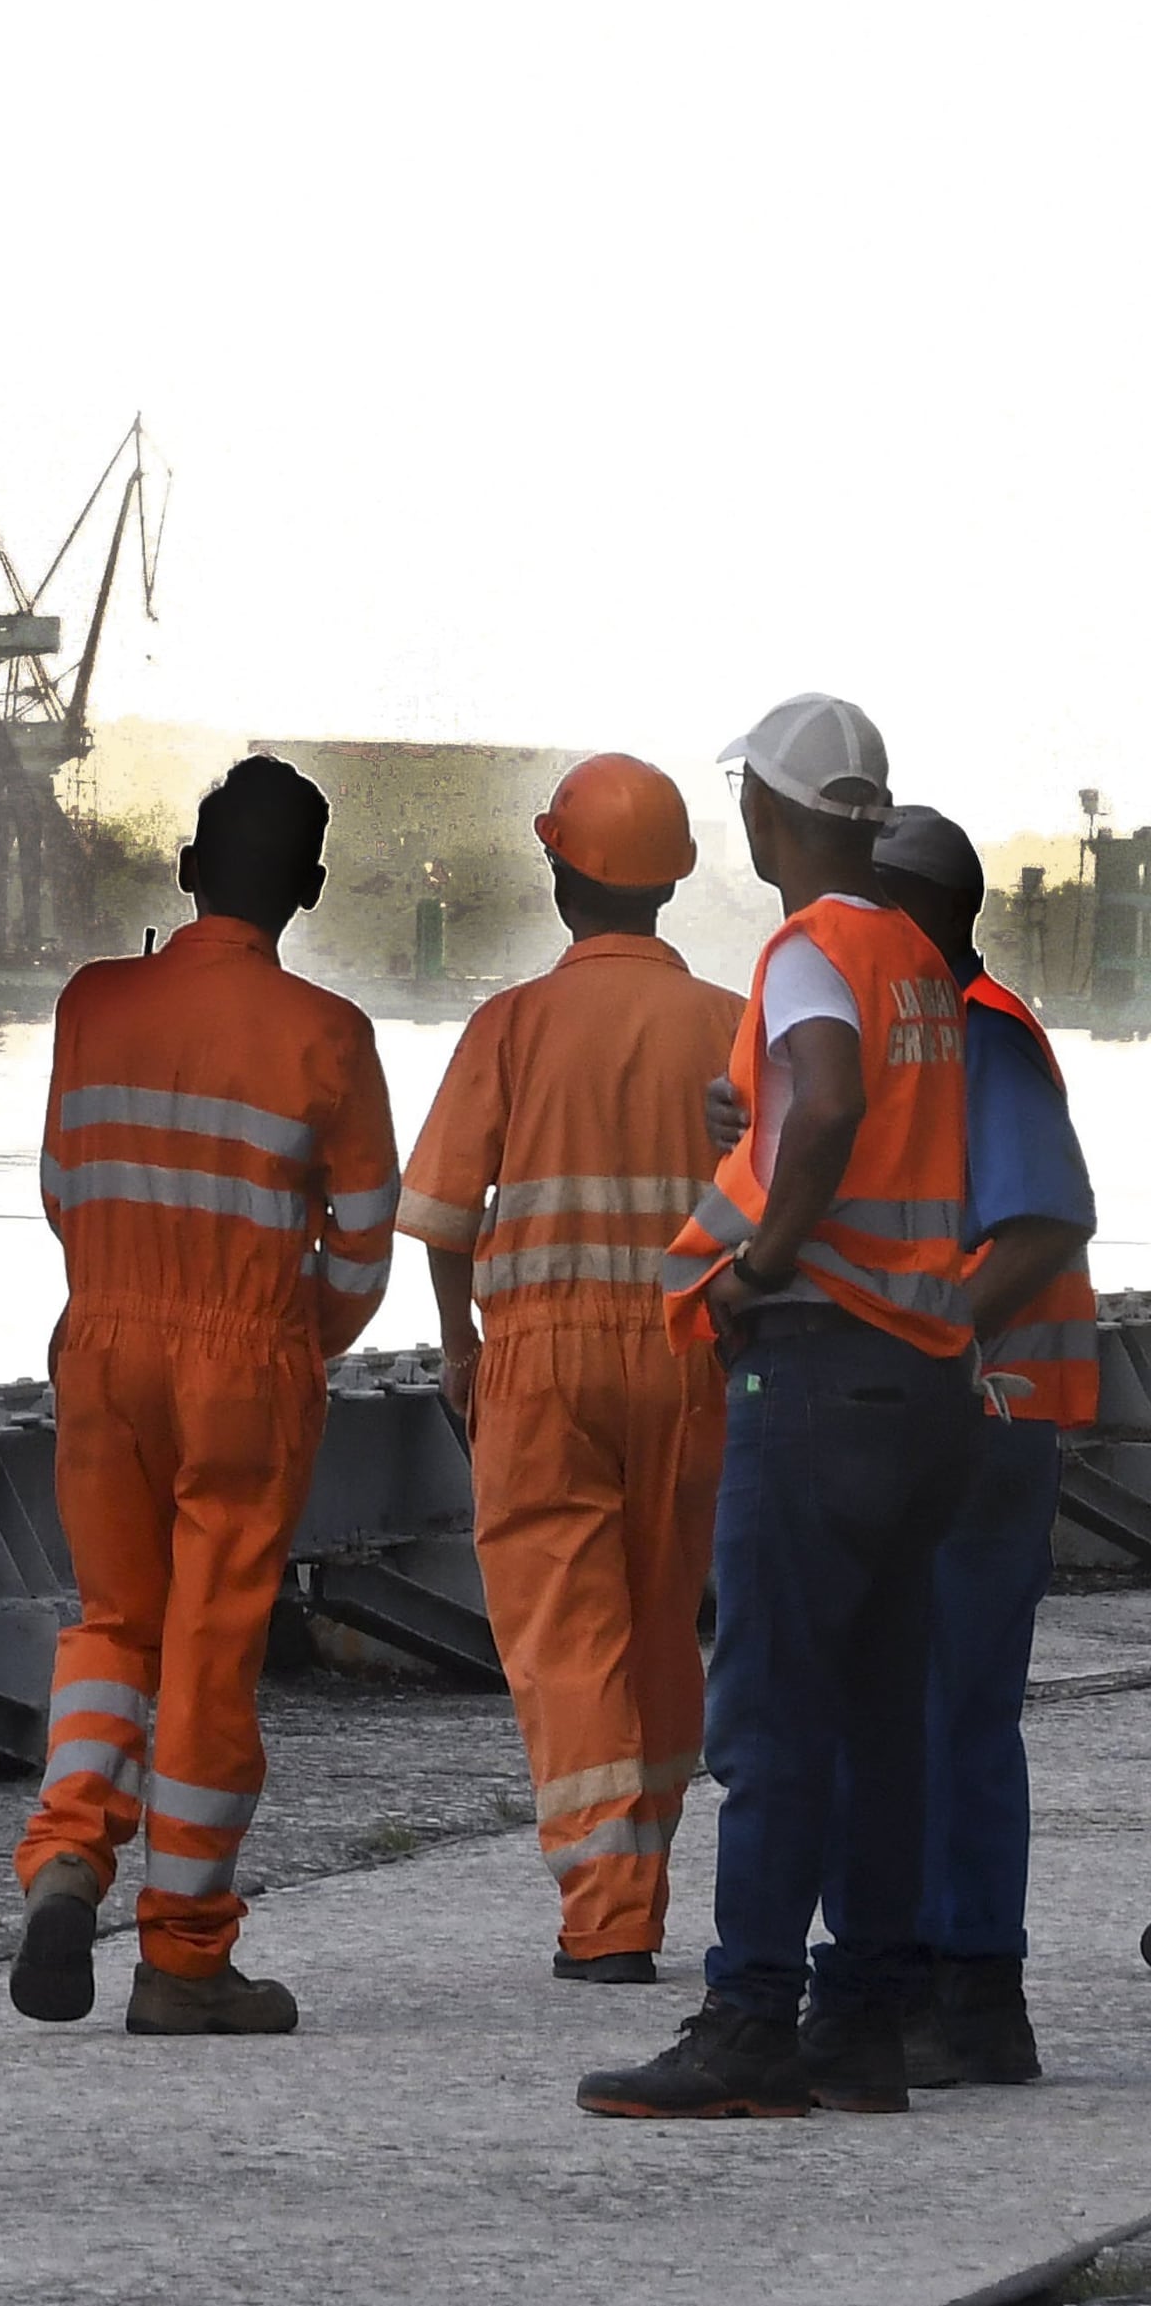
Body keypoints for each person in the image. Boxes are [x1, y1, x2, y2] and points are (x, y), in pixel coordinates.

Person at [579, 696, 983, 2119]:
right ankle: (863, 2021)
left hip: (817, 1368)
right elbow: (864, 1123)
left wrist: (756, 1254)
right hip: (928, 1376)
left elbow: (825, 1104)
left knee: (766, 1716)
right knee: (881, 1716)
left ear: (773, 812)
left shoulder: (811, 947)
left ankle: (749, 2018)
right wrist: (765, 1144)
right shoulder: (916, 960)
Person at [3, 756, 392, 2041]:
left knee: (113, 1621)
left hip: (103, 1343)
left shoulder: (90, 1003)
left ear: (183, 869)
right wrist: (295, 1342)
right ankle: (180, 1958)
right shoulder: (327, 1035)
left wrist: (115, 1290)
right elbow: (363, 1248)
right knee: (210, 1650)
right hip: (246, 1361)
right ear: (310, 891)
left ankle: (65, 1853)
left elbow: (61, 1185)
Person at [386, 754, 742, 1987]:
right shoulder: (729, 1026)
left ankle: (606, 1918)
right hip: (689, 1355)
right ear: (672, 882)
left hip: (537, 1363)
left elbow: (435, 1215)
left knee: (561, 1635)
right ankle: (639, 1872)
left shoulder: (513, 1025)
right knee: (657, 1625)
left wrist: (457, 1346)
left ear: (557, 876)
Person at [863, 803, 1100, 2091]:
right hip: (955, 1420)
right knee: (927, 1710)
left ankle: (959, 1994)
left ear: (915, 918)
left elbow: (1044, 1218)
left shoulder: (977, 1034)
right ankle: (948, 1994)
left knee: (942, 1711)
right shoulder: (917, 1037)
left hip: (979, 1424)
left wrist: (928, 1349)